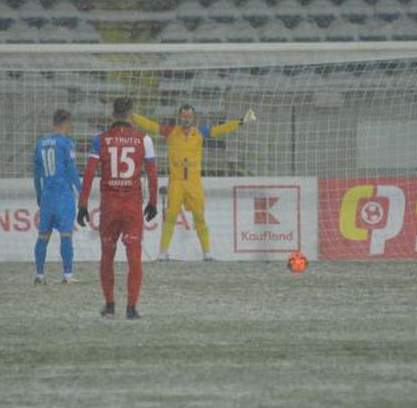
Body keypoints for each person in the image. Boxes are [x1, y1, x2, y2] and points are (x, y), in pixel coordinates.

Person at [131, 104, 255, 261]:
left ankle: (207, 253)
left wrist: (241, 121)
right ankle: (162, 253)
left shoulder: (200, 133)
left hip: (194, 183)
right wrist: (133, 117)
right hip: (176, 183)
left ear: (193, 118)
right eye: (183, 116)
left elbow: (221, 129)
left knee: (200, 218)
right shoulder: (170, 132)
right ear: (179, 117)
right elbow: (152, 126)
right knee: (170, 217)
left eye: (189, 116)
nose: (186, 119)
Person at [78, 97, 158, 320]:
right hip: (132, 206)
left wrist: (82, 204)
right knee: (134, 256)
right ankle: (131, 308)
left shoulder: (100, 140)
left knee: (107, 255)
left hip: (110, 206)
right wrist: (153, 202)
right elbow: (152, 173)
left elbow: (89, 173)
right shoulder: (145, 139)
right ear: (131, 114)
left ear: (113, 114)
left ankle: (110, 305)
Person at [33, 109, 82, 285]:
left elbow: (36, 174)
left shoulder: (40, 143)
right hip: (63, 195)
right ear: (67, 123)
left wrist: (39, 195)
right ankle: (67, 275)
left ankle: (40, 275)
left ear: (53, 123)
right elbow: (71, 170)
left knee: (42, 236)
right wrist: (81, 192)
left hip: (47, 195)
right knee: (66, 235)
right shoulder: (66, 143)